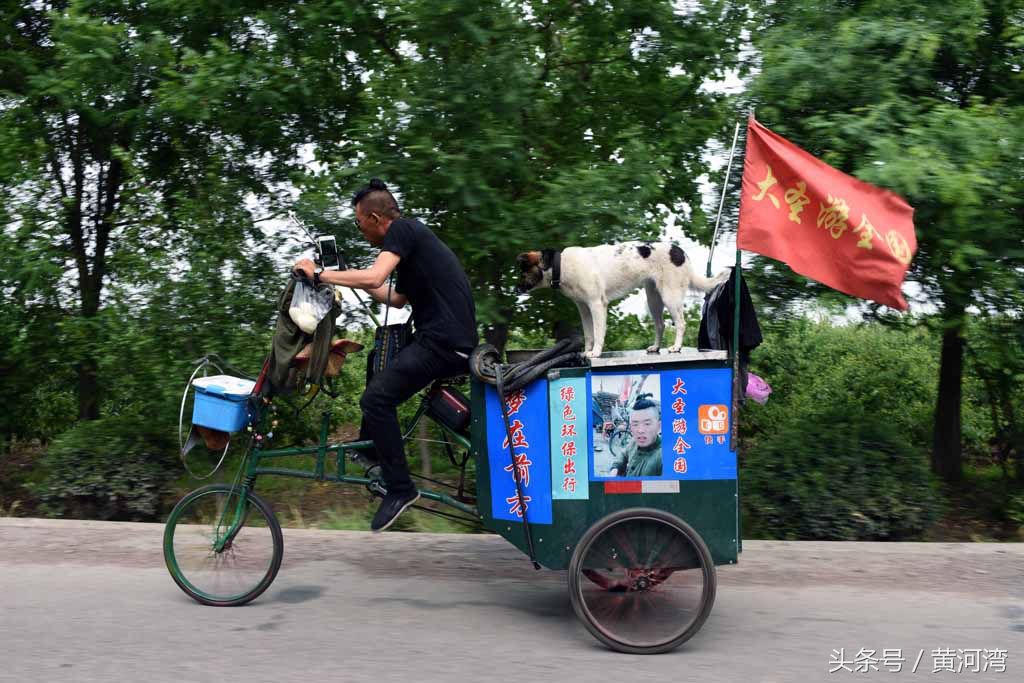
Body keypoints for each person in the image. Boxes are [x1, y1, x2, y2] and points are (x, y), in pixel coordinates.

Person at [294, 179, 478, 531]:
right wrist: (337, 278)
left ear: (377, 218)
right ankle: (372, 450)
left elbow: (375, 275)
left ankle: (401, 488)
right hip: (438, 338)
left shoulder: (404, 230)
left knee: (376, 399)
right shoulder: (413, 244)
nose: (360, 231)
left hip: (444, 343)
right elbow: (393, 297)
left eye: (360, 223)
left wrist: (318, 274)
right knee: (376, 358)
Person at [609, 394, 663, 477]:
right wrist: (615, 468)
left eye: (647, 424)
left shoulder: (663, 456)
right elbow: (624, 454)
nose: (640, 430)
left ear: (658, 426)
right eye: (635, 424)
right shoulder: (634, 441)